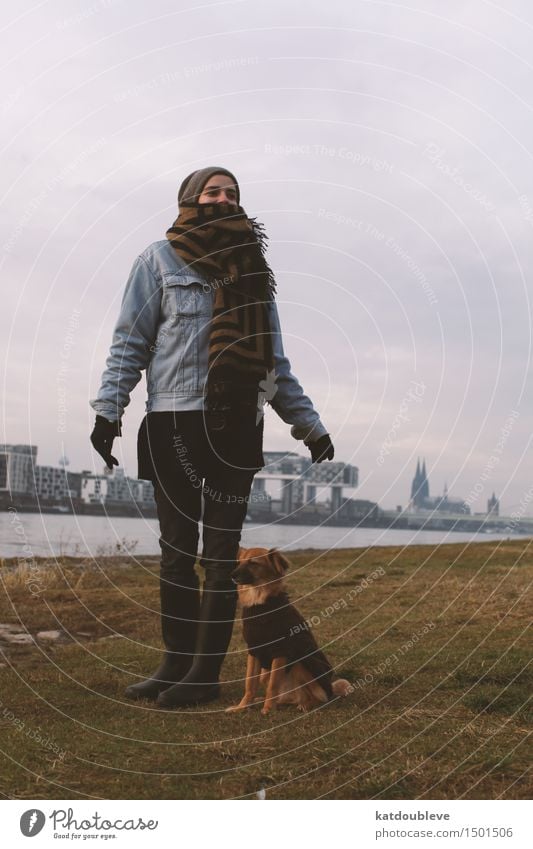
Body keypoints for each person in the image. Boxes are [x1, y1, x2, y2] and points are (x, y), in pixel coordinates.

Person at [89, 166, 334, 708]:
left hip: (236, 426)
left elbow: (274, 362)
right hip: (173, 419)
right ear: (189, 200)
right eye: (213, 191)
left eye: (232, 193)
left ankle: (203, 675)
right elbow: (130, 341)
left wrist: (308, 425)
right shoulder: (157, 259)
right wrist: (109, 412)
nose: (223, 199)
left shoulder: (253, 272)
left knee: (221, 556)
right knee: (176, 551)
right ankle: (174, 664)